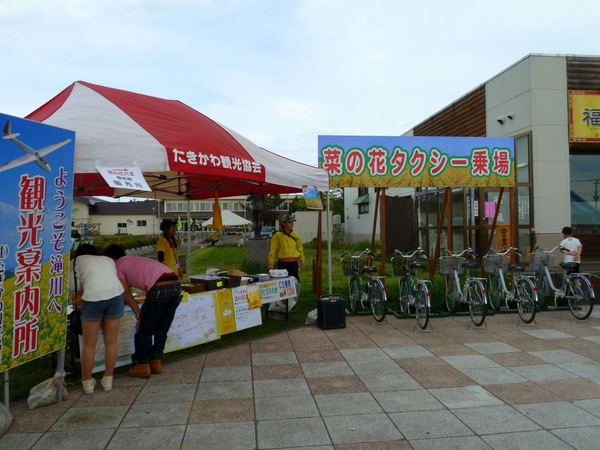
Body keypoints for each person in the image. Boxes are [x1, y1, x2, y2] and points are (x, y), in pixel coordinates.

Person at [103, 244, 183, 378]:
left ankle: (142, 365)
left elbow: (126, 294)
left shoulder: (118, 265)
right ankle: (156, 362)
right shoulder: (134, 260)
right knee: (162, 328)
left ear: (111, 258)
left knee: (144, 330)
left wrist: (139, 316)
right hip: (175, 284)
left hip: (159, 286)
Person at [69, 244, 125, 394]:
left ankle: (87, 382)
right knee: (111, 341)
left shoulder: (76, 261)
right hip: (116, 296)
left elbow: (72, 286)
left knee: (89, 344)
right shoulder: (107, 259)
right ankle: (108, 380)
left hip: (92, 298)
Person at [268, 214, 305, 281]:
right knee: (283, 281)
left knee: (295, 280)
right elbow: (273, 250)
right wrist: (271, 263)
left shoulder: (295, 235)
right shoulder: (277, 236)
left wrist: (302, 260)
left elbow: (300, 248)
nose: (291, 224)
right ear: (283, 224)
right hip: (283, 263)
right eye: (289, 222)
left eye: (292, 222)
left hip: (293, 263)